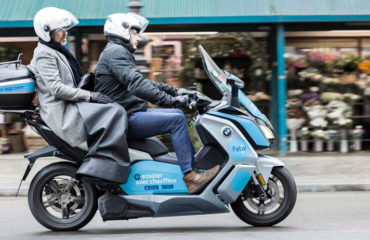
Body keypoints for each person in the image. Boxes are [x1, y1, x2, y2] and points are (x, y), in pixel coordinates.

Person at [94, 13, 220, 194]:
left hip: (124, 113)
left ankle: (195, 171)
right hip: (122, 118)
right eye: (134, 33)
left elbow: (145, 82)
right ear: (122, 32)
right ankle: (191, 177)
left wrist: (175, 91)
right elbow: (137, 85)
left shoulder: (117, 52)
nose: (138, 37)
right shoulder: (116, 53)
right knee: (176, 119)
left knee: (176, 117)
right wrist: (172, 102)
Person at [28, 7, 131, 187]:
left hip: (71, 105)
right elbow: (57, 89)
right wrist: (91, 96)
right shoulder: (44, 53)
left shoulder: (55, 50)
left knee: (114, 109)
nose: (64, 33)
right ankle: (106, 167)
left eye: (65, 29)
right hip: (63, 113)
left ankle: (106, 161)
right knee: (115, 112)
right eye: (61, 30)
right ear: (47, 32)